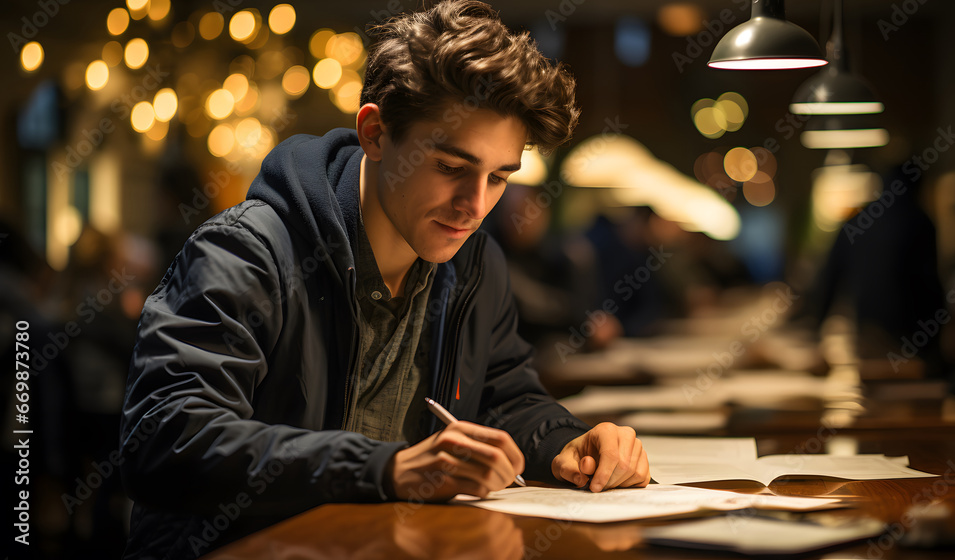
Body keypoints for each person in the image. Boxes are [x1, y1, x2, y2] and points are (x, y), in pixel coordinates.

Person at [119, 2, 649, 558]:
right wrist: (388, 467)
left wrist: (568, 442)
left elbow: (505, 397)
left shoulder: (473, 264)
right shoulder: (247, 254)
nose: (474, 207)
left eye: (498, 178)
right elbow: (166, 442)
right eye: (450, 167)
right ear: (374, 132)